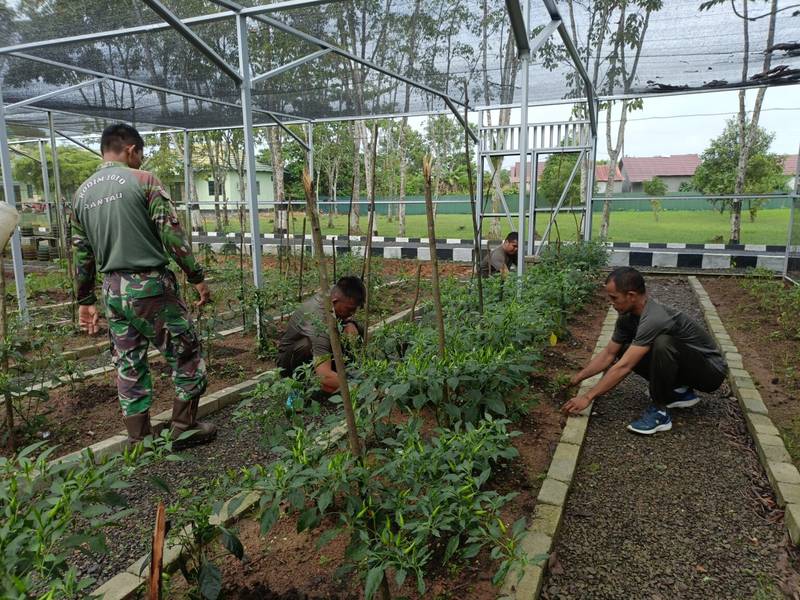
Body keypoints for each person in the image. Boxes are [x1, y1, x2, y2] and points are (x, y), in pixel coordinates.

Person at [71, 123, 215, 448]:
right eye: (141, 155)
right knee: (186, 353)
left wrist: (85, 300)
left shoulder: (81, 194)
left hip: (112, 292)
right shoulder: (144, 181)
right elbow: (172, 236)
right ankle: (183, 428)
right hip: (149, 287)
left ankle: (139, 441)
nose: (140, 161)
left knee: (129, 363)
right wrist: (196, 277)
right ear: (132, 150)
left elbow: (82, 254)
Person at [563, 267, 728, 435]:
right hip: (688, 366)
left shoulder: (655, 318)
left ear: (631, 296)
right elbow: (609, 354)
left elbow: (624, 366)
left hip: (711, 372)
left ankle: (660, 412)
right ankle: (678, 392)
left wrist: (587, 397)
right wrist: (577, 378)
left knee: (663, 343)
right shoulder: (626, 318)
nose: (610, 303)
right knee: (625, 347)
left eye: (614, 298)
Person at [277, 276, 366, 394]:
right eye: (349, 310)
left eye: (354, 310)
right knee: (308, 347)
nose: (352, 313)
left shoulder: (333, 294)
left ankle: (340, 376)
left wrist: (350, 322)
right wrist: (363, 389)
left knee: (356, 328)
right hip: (291, 362)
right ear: (335, 301)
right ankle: (303, 383)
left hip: (320, 350)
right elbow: (324, 375)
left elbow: (349, 319)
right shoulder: (319, 322)